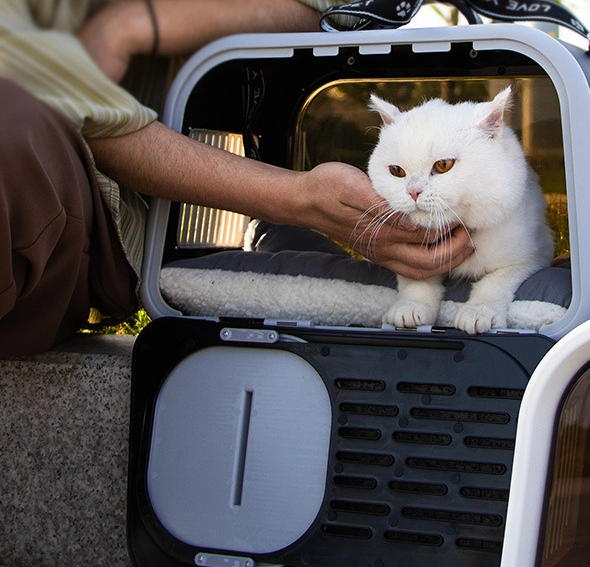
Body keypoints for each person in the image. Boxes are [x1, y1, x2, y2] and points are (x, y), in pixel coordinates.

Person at [0, 0, 473, 357]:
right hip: (56, 145)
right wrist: (299, 199)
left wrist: (137, 23)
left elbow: (338, 12)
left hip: (83, 192)